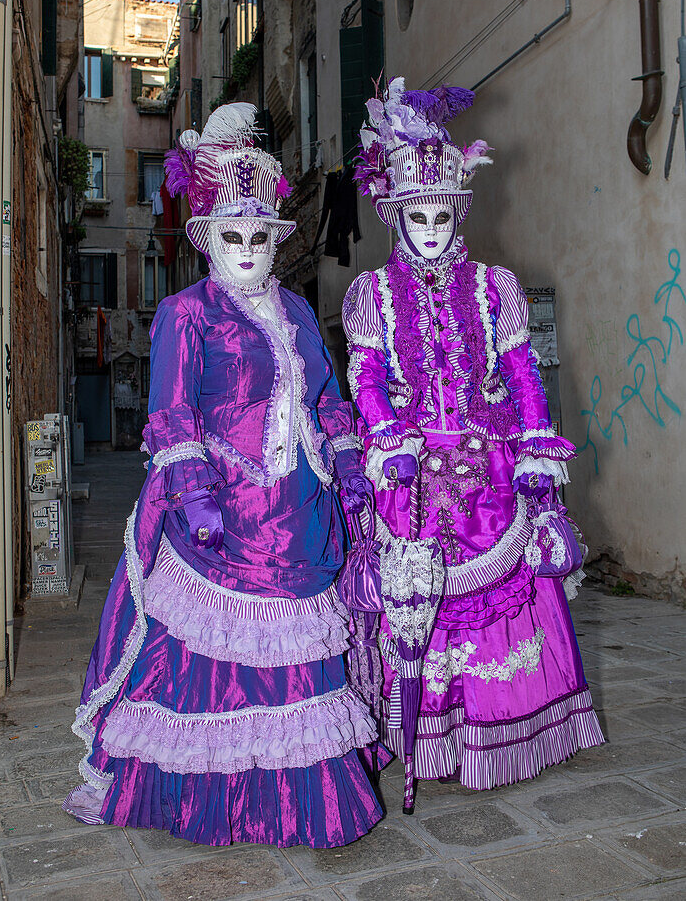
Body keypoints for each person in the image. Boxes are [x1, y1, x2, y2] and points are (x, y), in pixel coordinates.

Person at [63, 103, 383, 848]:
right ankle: (212, 794)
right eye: (232, 237)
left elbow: (327, 396)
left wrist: (346, 461)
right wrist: (193, 494)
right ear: (209, 242)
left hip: (300, 510)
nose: (246, 251)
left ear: (275, 243)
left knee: (300, 653)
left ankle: (301, 800)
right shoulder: (185, 313)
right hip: (222, 515)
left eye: (259, 239)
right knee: (207, 659)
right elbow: (170, 413)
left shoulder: (301, 312)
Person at [342, 78, 604, 800]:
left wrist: (533, 448)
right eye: (416, 217)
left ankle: (500, 732)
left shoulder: (496, 286)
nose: (429, 229)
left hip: (488, 473)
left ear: (457, 213)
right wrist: (387, 434)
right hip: (412, 478)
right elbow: (365, 376)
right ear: (396, 217)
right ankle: (425, 739)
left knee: (504, 599)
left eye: (439, 216)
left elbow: (523, 376)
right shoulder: (373, 293)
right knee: (414, 603)